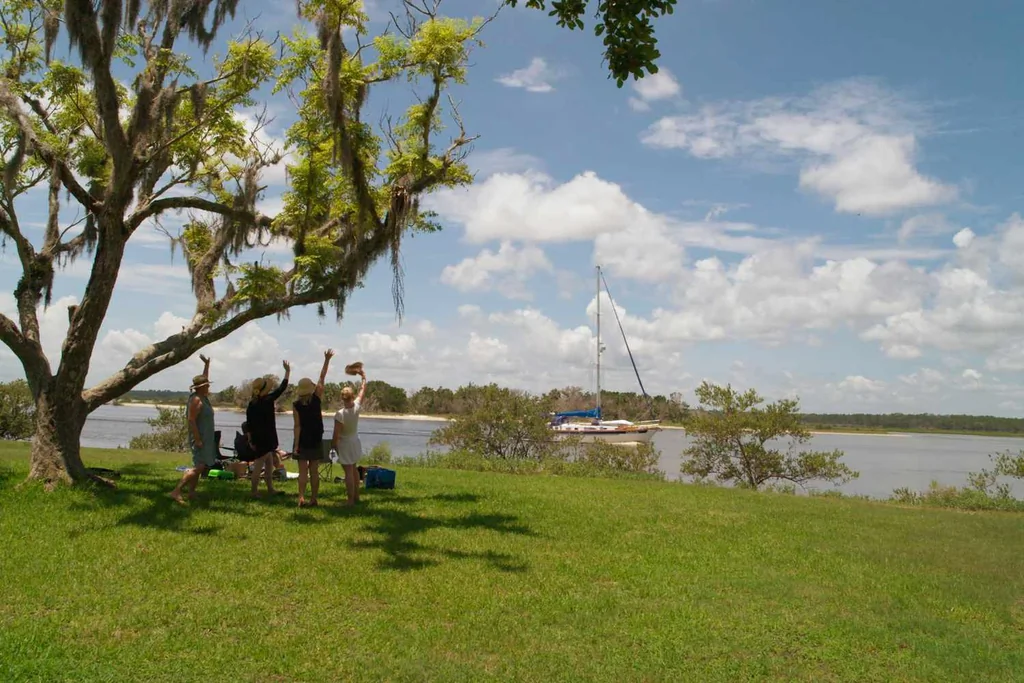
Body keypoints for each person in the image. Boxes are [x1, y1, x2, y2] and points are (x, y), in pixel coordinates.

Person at [292, 349, 335, 508]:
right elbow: (322, 377)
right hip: (316, 438)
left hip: (302, 440)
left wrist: (296, 444)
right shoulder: (316, 399)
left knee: (303, 472)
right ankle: (314, 498)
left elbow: (297, 426)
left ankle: (301, 497)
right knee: (314, 470)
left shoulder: (296, 405)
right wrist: (327, 360)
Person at [170, 355, 215, 504]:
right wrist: (197, 439)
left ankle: (191, 493)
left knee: (200, 466)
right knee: (199, 466)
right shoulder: (196, 400)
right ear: (201, 388)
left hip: (205, 437)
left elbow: (204, 379)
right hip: (200, 437)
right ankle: (177, 491)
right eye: (207, 385)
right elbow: (191, 420)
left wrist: (207, 365)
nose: (209, 386)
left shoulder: (203, 396)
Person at [245, 361, 291, 498]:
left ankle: (270, 488)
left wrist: (250, 439)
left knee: (270, 463)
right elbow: (282, 388)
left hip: (257, 438)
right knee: (259, 465)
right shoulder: (268, 400)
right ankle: (254, 491)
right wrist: (287, 372)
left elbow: (248, 424)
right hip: (265, 438)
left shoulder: (252, 404)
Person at [332, 365, 368, 506]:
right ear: (352, 396)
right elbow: (362, 391)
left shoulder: (340, 414)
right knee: (353, 469)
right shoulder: (356, 407)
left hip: (345, 443)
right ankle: (356, 496)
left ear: (342, 398)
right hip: (355, 441)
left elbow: (336, 434)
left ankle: (350, 500)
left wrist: (333, 447)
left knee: (348, 472)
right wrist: (363, 377)